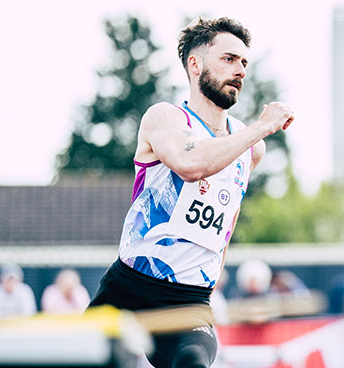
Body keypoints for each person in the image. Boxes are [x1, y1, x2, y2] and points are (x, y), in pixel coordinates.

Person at [88, 17, 295, 368]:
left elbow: (225, 216)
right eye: (229, 59)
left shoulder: (249, 147)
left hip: (188, 299)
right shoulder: (166, 119)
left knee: (192, 362)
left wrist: (211, 278)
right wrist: (261, 128)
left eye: (244, 62)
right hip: (129, 287)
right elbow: (191, 165)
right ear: (195, 64)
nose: (240, 70)